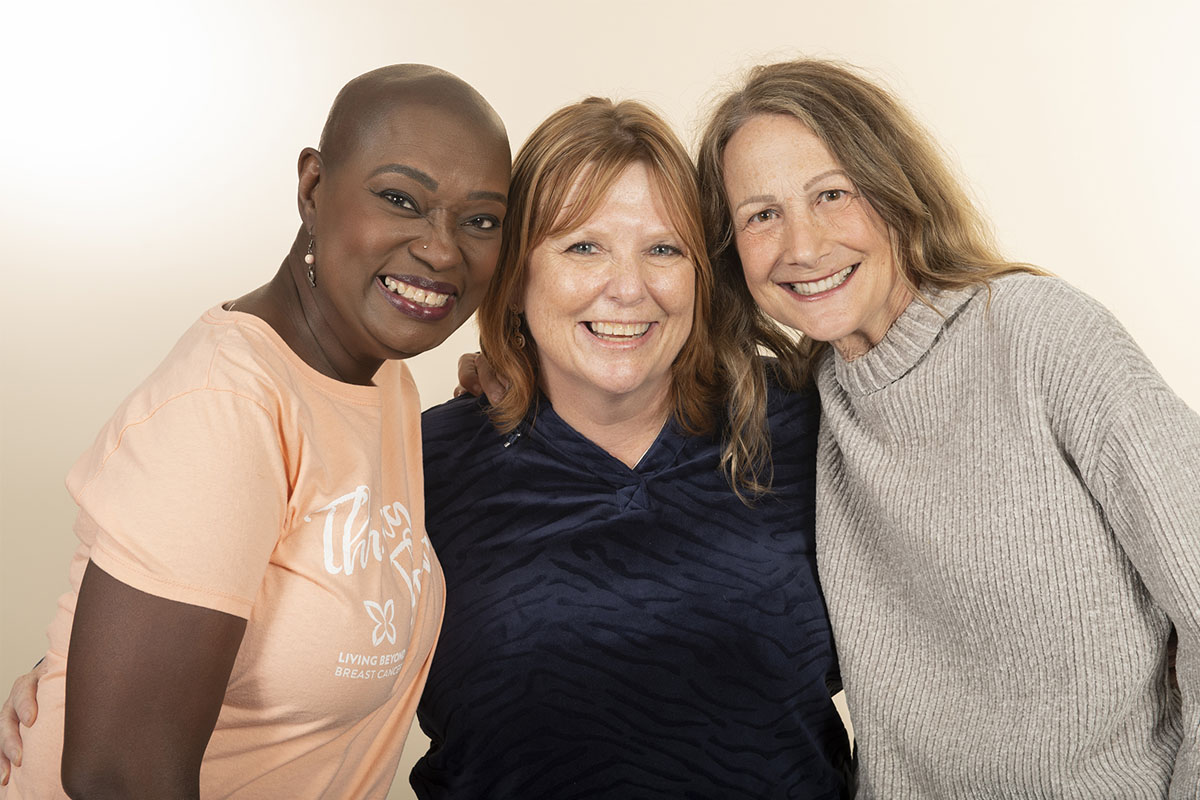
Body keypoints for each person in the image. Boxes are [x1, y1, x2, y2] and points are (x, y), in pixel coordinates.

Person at [0, 64, 511, 798]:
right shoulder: (227, 406)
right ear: (312, 189)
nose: (441, 249)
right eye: (400, 199)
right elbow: (119, 774)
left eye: (480, 220)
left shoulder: (382, 381)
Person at [695, 58, 1200, 797]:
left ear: (897, 191)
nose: (801, 246)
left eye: (832, 194)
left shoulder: (1040, 336)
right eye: (760, 215)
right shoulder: (805, 408)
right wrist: (512, 367)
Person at [411, 97, 851, 797]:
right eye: (584, 246)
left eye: (663, 249)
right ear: (517, 275)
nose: (627, 288)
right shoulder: (419, 465)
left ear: (703, 275)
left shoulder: (807, 424)